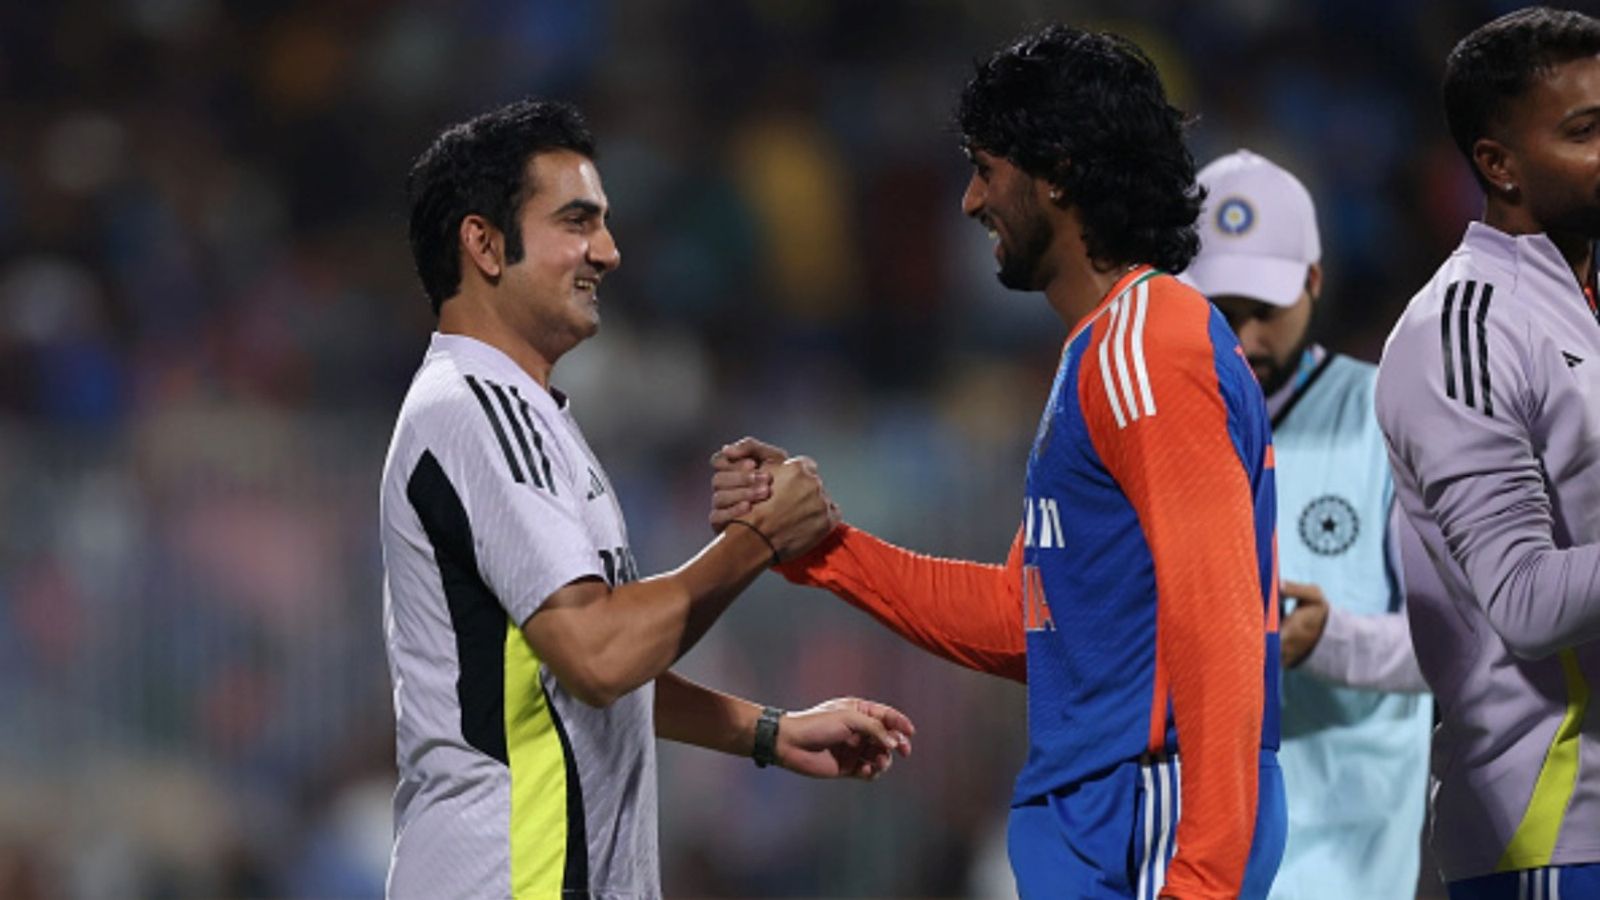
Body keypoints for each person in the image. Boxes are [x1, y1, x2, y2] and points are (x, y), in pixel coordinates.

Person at [714, 25, 1283, 899]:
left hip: (1147, 813)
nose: (971, 201)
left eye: (986, 167)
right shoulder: (1102, 352)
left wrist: (1203, 878)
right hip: (1107, 813)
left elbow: (1220, 620)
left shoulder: (1150, 343)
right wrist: (820, 546)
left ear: (1055, 172)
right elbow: (1029, 621)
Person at [379, 98, 914, 900]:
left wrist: (769, 731)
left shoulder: (527, 417)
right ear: (484, 243)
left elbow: (578, 675)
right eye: (577, 221)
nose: (609, 251)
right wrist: (757, 540)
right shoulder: (473, 409)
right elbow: (599, 657)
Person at [1373, 7, 1600, 898]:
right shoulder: (1461, 332)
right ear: (1498, 165)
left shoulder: (1584, 301)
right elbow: (1525, 602)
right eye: (1584, 132)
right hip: (1552, 831)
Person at [1179, 150, 1431, 900]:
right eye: (1222, 310)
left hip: (1343, 865)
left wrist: (1328, 639)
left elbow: (1464, 644)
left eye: (1265, 310)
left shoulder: (1391, 418)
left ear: (1314, 283)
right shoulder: (1154, 422)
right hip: (1186, 858)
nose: (1245, 338)